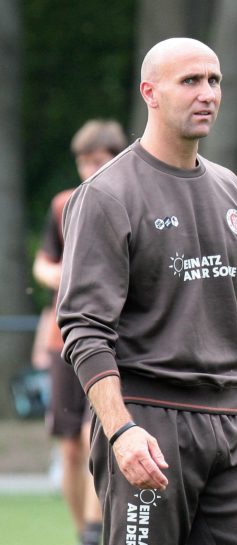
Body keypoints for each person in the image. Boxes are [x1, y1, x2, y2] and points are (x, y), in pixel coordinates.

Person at [57, 37, 237, 545]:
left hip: (232, 422)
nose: (207, 94)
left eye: (214, 80)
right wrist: (120, 429)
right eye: (190, 81)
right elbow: (84, 329)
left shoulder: (230, 189)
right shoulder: (107, 195)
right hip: (147, 423)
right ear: (150, 92)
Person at [33, 118, 127, 545]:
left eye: (99, 161)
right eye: (84, 163)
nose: (91, 171)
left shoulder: (126, 199)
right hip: (62, 338)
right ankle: (80, 531)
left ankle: (96, 529)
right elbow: (43, 264)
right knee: (70, 445)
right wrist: (67, 276)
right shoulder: (62, 205)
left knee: (100, 433)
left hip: (109, 339)